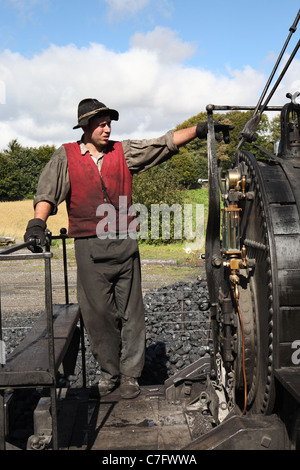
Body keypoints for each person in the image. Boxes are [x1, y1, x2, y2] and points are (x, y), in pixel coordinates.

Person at [24, 98, 231, 399]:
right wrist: (37, 224)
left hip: (124, 246)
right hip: (89, 248)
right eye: (102, 123)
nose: (108, 129)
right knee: (98, 317)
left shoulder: (124, 152)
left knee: (132, 314)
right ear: (85, 126)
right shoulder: (65, 156)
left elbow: (163, 143)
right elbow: (47, 192)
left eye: (110, 123)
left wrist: (199, 130)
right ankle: (110, 375)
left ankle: (131, 377)